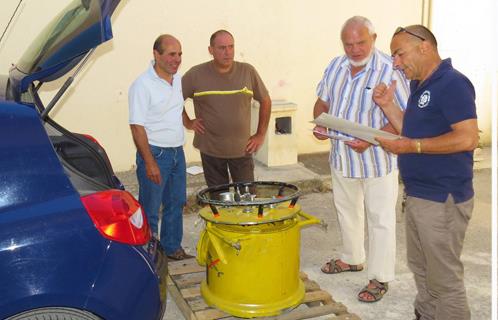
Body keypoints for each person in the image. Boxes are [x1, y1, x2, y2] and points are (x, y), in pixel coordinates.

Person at [373, 25, 478, 320]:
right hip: (420, 195)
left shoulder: (453, 83)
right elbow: (410, 130)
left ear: (424, 47)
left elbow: (468, 138)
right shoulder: (421, 86)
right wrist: (387, 105)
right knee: (421, 268)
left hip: (442, 198)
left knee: (444, 279)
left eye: (399, 53)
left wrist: (411, 147)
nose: (395, 62)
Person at [312, 16, 409, 302]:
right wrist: (321, 123)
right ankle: (352, 258)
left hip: (378, 159)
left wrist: (370, 139)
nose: (354, 49)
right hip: (342, 155)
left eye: (361, 42)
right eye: (349, 43)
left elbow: (403, 118)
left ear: (374, 39)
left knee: (381, 219)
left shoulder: (390, 70)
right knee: (346, 210)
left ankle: (380, 277)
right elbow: (322, 100)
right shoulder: (335, 65)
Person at [128, 34, 192, 260]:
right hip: (156, 153)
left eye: (180, 54)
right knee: (150, 209)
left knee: (176, 203)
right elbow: (136, 127)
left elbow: (177, 106)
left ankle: (172, 248)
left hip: (177, 152)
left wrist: (189, 122)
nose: (177, 59)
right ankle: (149, 255)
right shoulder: (142, 85)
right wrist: (150, 162)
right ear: (156, 54)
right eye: (172, 54)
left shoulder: (178, 80)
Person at [182, 30, 272, 190]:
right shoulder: (196, 74)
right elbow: (172, 101)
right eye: (222, 48)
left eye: (231, 47)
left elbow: (265, 100)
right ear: (211, 50)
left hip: (242, 150)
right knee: (219, 200)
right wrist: (188, 122)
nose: (228, 52)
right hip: (211, 151)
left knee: (246, 201)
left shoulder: (247, 71)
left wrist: (260, 134)